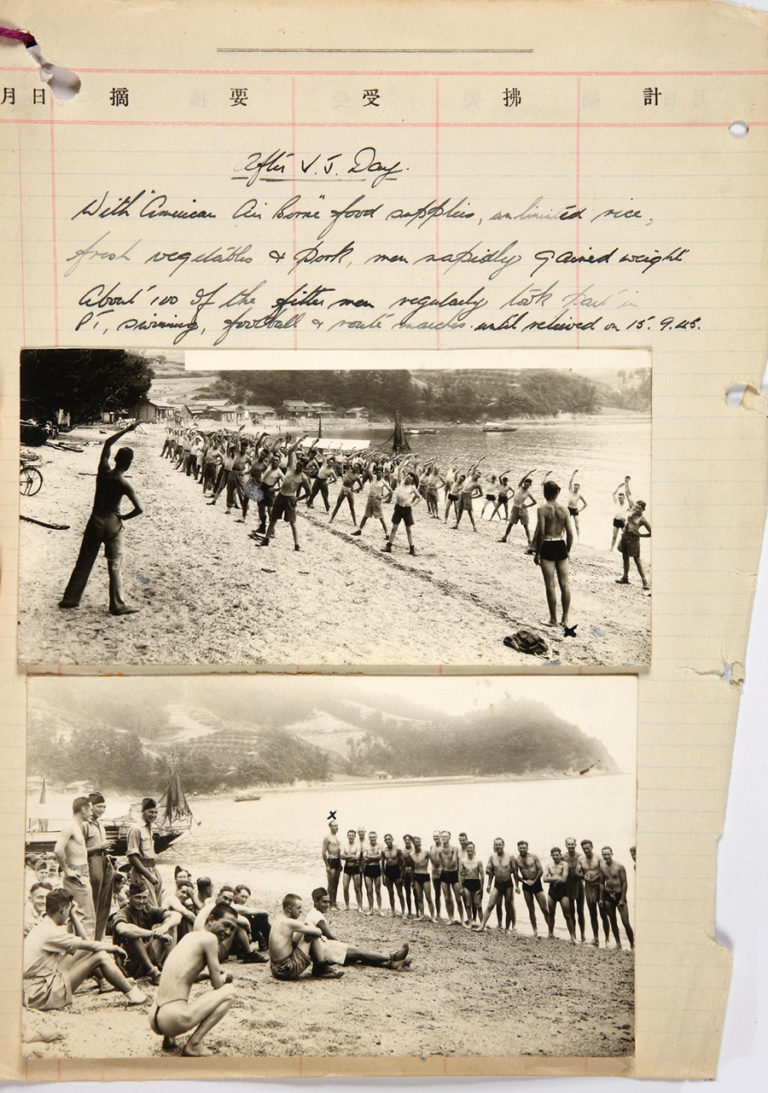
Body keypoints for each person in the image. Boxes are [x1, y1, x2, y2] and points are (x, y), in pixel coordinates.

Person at [59, 421, 142, 615]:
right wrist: (124, 517)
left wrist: (126, 430)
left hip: (96, 518)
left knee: (84, 560)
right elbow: (140, 509)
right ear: (128, 464)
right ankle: (117, 604)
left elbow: (107, 443)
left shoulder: (103, 472)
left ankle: (70, 599)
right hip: (113, 520)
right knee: (115, 564)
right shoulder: (124, 483)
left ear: (115, 459)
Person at [23, 888, 146, 1010]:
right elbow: (91, 945)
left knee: (86, 950)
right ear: (64, 909)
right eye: (69, 910)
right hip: (39, 993)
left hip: (34, 985)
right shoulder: (51, 932)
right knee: (101, 957)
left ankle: (108, 982)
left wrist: (73, 915)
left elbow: (85, 943)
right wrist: (114, 948)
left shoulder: (44, 925)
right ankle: (135, 996)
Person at [149, 901, 238, 1055]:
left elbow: (181, 974)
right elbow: (217, 984)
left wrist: (204, 976)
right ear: (210, 920)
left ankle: (169, 1039)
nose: (228, 932)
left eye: (232, 929)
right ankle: (194, 1044)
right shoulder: (210, 939)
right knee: (229, 992)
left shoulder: (190, 937)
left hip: (155, 1016)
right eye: (226, 924)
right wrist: (226, 977)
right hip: (173, 1019)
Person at [305, 888, 411, 972]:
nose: (327, 905)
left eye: (328, 902)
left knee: (359, 956)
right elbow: (328, 935)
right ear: (315, 901)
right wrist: (342, 944)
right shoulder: (316, 915)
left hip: (324, 948)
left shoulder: (313, 913)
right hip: (326, 949)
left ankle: (391, 964)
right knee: (360, 952)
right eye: (324, 902)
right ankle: (391, 957)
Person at [112, 881, 181, 983]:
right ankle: (153, 972)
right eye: (138, 897)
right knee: (133, 934)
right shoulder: (123, 912)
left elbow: (176, 915)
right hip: (131, 962)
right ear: (129, 896)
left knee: (170, 924)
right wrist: (153, 934)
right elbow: (122, 929)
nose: (141, 901)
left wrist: (164, 928)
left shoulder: (147, 909)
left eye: (144, 898)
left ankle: (170, 968)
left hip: (149, 954)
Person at [269, 893, 344, 980]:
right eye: (298, 908)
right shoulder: (289, 923)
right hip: (286, 970)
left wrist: (305, 929)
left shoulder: (279, 920)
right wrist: (310, 931)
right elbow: (319, 932)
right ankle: (321, 969)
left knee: (305, 931)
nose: (301, 911)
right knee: (312, 934)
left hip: (275, 969)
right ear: (289, 908)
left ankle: (320, 967)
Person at [532, 479, 575, 628]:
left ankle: (553, 619)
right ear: (557, 493)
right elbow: (570, 533)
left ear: (545, 493)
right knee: (565, 584)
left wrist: (537, 552)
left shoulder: (542, 509)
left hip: (548, 545)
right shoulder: (565, 510)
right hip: (560, 544)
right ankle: (565, 619)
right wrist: (568, 550)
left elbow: (541, 532)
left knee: (550, 585)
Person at [54, 796, 96, 938]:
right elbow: (58, 849)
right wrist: (67, 870)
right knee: (87, 918)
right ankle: (87, 953)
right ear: (83, 809)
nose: (91, 813)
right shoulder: (69, 826)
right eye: (90, 809)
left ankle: (75, 953)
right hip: (77, 875)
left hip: (80, 874)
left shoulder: (76, 826)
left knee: (74, 916)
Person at [83, 791, 115, 940]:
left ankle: (98, 937)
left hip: (103, 861)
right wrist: (99, 847)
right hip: (91, 862)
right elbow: (77, 851)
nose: (102, 810)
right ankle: (89, 937)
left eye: (104, 807)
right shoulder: (84, 824)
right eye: (99, 806)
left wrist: (105, 851)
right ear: (90, 806)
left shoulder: (100, 824)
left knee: (104, 902)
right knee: (92, 902)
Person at [473, 838, 519, 932]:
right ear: (494, 846)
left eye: (500, 844)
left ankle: (507, 928)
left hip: (508, 884)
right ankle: (482, 926)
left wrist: (517, 886)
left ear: (503, 845)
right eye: (496, 845)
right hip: (497, 884)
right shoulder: (492, 857)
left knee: (508, 906)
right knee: (490, 905)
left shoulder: (510, 856)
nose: (498, 846)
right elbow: (490, 871)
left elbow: (515, 872)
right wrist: (489, 884)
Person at [127, 797, 163, 906]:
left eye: (156, 812)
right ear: (143, 812)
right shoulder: (136, 829)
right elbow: (132, 857)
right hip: (142, 873)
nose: (153, 815)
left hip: (153, 869)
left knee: (158, 904)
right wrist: (149, 876)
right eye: (150, 812)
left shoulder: (150, 828)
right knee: (149, 905)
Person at [599, 847, 634, 950]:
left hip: (619, 895)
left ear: (612, 854)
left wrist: (622, 898)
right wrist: (601, 898)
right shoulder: (602, 867)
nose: (606, 856)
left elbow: (624, 883)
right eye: (604, 855)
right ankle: (618, 944)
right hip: (608, 895)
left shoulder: (619, 866)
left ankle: (632, 944)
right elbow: (601, 883)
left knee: (625, 922)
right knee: (613, 920)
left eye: (608, 854)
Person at [514, 841, 550, 938]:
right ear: (518, 849)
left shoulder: (533, 857)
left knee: (544, 908)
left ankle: (551, 931)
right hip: (526, 884)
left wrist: (534, 881)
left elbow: (540, 870)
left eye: (524, 848)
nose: (522, 849)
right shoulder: (516, 860)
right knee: (531, 909)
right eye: (520, 848)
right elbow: (515, 874)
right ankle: (535, 930)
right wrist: (518, 885)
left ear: (527, 848)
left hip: (536, 883)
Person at [383, 467, 421, 556]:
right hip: (398, 508)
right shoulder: (400, 483)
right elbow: (399, 469)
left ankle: (412, 548)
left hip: (407, 510)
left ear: (412, 481)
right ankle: (388, 546)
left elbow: (420, 497)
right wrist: (406, 459)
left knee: (408, 530)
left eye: (410, 479)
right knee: (394, 528)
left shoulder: (412, 488)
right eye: (407, 477)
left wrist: (412, 504)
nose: (408, 479)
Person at [543, 847, 577, 943]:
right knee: (551, 913)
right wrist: (556, 878)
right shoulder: (549, 865)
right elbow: (544, 879)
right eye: (553, 855)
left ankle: (572, 936)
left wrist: (552, 878)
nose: (555, 857)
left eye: (557, 855)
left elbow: (564, 879)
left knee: (567, 914)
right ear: (551, 856)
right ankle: (550, 933)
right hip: (552, 891)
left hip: (563, 891)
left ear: (560, 855)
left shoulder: (564, 864)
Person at [616, 500, 651, 591]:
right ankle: (625, 577)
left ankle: (645, 582)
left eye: (640, 508)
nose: (637, 509)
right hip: (624, 536)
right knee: (625, 557)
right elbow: (628, 494)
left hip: (633, 539)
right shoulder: (631, 510)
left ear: (643, 510)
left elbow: (652, 532)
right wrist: (626, 485)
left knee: (637, 560)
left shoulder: (642, 519)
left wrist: (640, 535)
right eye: (636, 506)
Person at [499, 472, 537, 550]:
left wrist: (527, 506)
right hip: (515, 508)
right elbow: (523, 478)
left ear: (530, 485)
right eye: (525, 484)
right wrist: (529, 472)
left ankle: (530, 542)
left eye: (528, 485)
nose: (526, 485)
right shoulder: (519, 487)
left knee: (526, 526)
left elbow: (535, 502)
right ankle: (504, 538)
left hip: (522, 510)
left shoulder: (528, 492)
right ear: (523, 483)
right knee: (510, 524)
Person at [580, 839, 607, 947]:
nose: (586, 850)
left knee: (603, 913)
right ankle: (596, 938)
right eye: (584, 848)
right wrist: (583, 876)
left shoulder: (598, 858)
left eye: (588, 848)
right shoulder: (581, 859)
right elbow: (578, 871)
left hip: (599, 886)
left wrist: (595, 877)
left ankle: (607, 939)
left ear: (592, 847)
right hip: (588, 887)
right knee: (592, 913)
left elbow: (604, 872)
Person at [438, 831, 465, 925]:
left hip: (453, 873)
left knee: (458, 898)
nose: (444, 838)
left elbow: (454, 861)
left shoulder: (454, 848)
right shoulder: (439, 850)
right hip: (444, 874)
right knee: (447, 898)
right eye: (443, 837)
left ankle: (462, 919)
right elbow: (439, 862)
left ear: (449, 837)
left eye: (446, 836)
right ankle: (450, 917)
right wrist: (440, 869)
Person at [563, 836, 586, 942]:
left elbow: (586, 870)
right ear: (566, 845)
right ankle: (574, 935)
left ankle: (583, 935)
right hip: (568, 886)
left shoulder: (581, 856)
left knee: (580, 911)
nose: (570, 846)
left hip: (579, 885)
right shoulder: (564, 857)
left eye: (572, 844)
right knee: (571, 911)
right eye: (569, 844)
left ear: (575, 845)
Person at [411, 835, 436, 921]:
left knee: (428, 897)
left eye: (419, 842)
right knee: (419, 897)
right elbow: (412, 867)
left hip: (425, 875)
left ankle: (433, 917)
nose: (418, 844)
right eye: (416, 842)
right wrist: (412, 881)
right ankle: (422, 915)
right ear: (413, 844)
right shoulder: (412, 854)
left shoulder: (426, 852)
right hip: (416, 875)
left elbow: (434, 863)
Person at [459, 841, 484, 924]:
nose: (469, 849)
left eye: (471, 848)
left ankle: (482, 923)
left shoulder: (478, 860)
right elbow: (460, 875)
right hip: (467, 883)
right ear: (465, 849)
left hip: (476, 882)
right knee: (468, 905)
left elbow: (482, 875)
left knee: (478, 905)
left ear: (474, 849)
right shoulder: (463, 861)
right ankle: (470, 922)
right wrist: (461, 887)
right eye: (468, 848)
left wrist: (482, 887)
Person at [382, 834, 406, 917]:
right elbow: (382, 864)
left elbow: (403, 863)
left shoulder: (398, 850)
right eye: (386, 839)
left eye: (389, 839)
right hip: (388, 871)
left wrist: (402, 877)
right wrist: (383, 877)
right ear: (385, 841)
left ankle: (403, 912)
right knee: (390, 893)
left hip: (396, 871)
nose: (388, 841)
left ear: (392, 839)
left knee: (400, 893)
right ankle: (393, 911)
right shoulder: (384, 851)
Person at [340, 828, 363, 913]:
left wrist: (347, 857)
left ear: (355, 836)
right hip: (347, 868)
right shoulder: (344, 845)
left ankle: (359, 907)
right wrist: (351, 857)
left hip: (355, 868)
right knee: (345, 887)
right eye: (349, 835)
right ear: (347, 836)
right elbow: (341, 856)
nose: (351, 837)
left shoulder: (357, 845)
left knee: (357, 888)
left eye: (353, 835)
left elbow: (357, 857)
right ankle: (347, 906)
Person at [322, 820, 342, 909]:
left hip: (337, 861)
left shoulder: (337, 837)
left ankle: (334, 902)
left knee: (336, 883)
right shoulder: (327, 838)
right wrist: (327, 865)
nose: (336, 827)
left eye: (337, 826)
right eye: (334, 826)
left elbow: (339, 852)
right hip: (331, 860)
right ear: (330, 827)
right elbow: (323, 852)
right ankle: (328, 903)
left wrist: (341, 863)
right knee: (331, 884)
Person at [362, 831, 383, 915]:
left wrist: (370, 857)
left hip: (377, 868)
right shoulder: (366, 846)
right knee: (369, 890)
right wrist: (375, 858)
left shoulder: (379, 845)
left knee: (378, 890)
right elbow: (364, 858)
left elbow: (380, 857)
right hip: (368, 868)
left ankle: (380, 909)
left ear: (376, 837)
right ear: (369, 838)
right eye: (371, 837)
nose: (372, 838)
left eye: (374, 837)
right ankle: (370, 909)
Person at [610, 477, 633, 550]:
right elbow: (613, 494)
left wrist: (629, 520)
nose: (620, 499)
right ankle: (611, 549)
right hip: (616, 521)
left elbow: (631, 512)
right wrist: (618, 487)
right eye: (619, 498)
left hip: (623, 522)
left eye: (621, 498)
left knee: (626, 536)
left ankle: (628, 549)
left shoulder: (627, 505)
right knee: (614, 536)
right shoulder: (616, 503)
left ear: (624, 498)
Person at [567, 469, 587, 537]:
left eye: (577, 487)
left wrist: (580, 510)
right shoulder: (570, 491)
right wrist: (573, 474)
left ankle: (579, 539)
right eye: (574, 487)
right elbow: (570, 482)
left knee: (577, 526)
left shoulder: (579, 495)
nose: (575, 488)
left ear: (579, 488)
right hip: (569, 509)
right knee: (565, 524)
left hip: (575, 510)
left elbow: (585, 504)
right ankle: (561, 536)